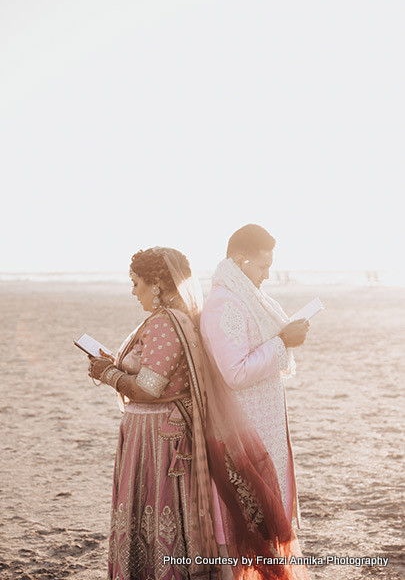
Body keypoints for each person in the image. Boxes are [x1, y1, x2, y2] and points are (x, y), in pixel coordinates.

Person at [88, 246, 310, 580]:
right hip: (156, 432)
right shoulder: (172, 320)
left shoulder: (165, 324)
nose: (133, 291)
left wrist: (107, 373)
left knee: (161, 511)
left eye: (137, 283)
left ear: (157, 285)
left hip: (160, 437)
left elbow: (149, 388)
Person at [200, 224, 309, 528]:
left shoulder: (246, 297)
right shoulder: (225, 302)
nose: (267, 275)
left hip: (261, 416)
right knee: (253, 511)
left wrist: (285, 338)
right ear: (238, 260)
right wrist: (283, 342)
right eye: (263, 266)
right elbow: (235, 372)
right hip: (243, 421)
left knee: (267, 505)